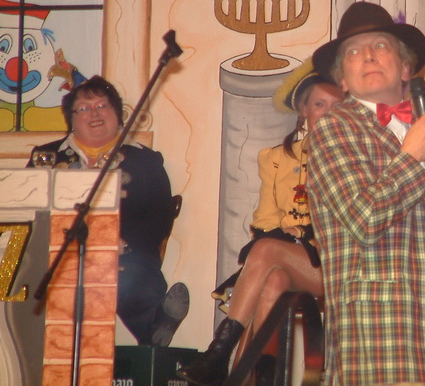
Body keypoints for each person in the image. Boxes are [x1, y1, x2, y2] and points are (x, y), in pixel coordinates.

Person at [307, 1, 425, 386]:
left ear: (406, 68)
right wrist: (412, 156)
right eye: (354, 52)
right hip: (381, 326)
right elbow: (364, 218)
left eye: (380, 46)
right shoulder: (333, 129)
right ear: (343, 81)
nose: (368, 56)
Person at [177, 59, 343, 386]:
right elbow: (264, 219)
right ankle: (261, 377)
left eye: (336, 106)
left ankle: (217, 357)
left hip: (337, 266)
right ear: (304, 111)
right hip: (290, 259)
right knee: (273, 280)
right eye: (319, 104)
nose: (327, 113)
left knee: (266, 251)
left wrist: (303, 231)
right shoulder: (276, 158)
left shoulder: (353, 155)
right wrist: (286, 232)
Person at [28, 75, 189, 347]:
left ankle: (155, 325)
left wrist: (122, 243)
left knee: (130, 271)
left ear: (118, 114)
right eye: (84, 108)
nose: (94, 113)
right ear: (71, 118)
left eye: (102, 106)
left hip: (122, 254)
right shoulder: (47, 157)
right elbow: (29, 208)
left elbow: (159, 217)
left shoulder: (144, 161)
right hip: (57, 253)